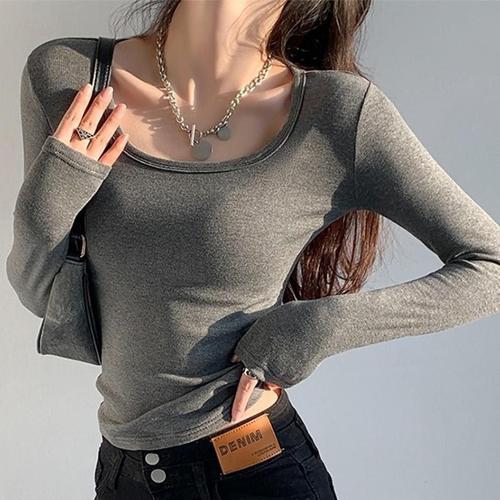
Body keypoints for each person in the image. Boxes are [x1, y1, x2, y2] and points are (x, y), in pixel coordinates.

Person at [6, 0, 499, 499]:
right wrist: (58, 186)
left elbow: (491, 265)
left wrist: (319, 325)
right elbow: (40, 293)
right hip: (124, 476)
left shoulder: (337, 114)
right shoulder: (68, 76)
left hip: (256, 470)